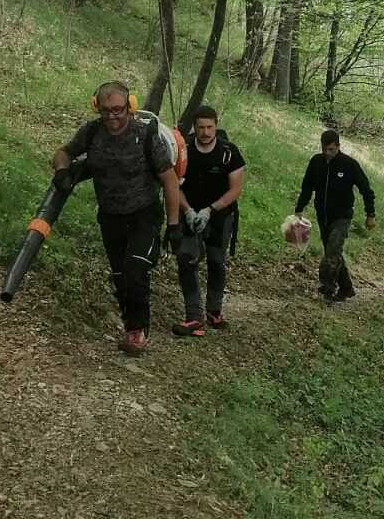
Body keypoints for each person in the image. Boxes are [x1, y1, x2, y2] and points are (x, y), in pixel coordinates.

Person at [52, 81, 182, 355]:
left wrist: (173, 225)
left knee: (135, 270)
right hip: (110, 217)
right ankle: (131, 326)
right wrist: (62, 171)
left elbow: (170, 180)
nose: (112, 116)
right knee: (121, 276)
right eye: (106, 110)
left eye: (118, 110)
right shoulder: (91, 133)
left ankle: (137, 333)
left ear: (129, 107)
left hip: (144, 215)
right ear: (97, 108)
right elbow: (64, 152)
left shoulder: (146, 135)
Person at [172, 105, 245, 336]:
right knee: (186, 259)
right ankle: (194, 317)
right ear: (194, 127)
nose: (205, 132)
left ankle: (214, 311)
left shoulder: (229, 153)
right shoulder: (183, 150)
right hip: (189, 212)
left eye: (209, 127)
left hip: (220, 215)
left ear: (216, 125)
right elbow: (173, 184)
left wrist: (210, 210)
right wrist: (187, 211)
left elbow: (236, 189)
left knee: (216, 261)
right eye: (201, 127)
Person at [294, 129, 376, 303]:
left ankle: (327, 289)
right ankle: (346, 288)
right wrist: (299, 208)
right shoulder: (316, 162)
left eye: (331, 149)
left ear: (338, 146)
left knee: (332, 253)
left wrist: (370, 214)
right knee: (333, 252)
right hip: (323, 215)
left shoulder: (349, 165)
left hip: (342, 216)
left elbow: (366, 189)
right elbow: (307, 186)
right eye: (324, 149)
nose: (327, 153)